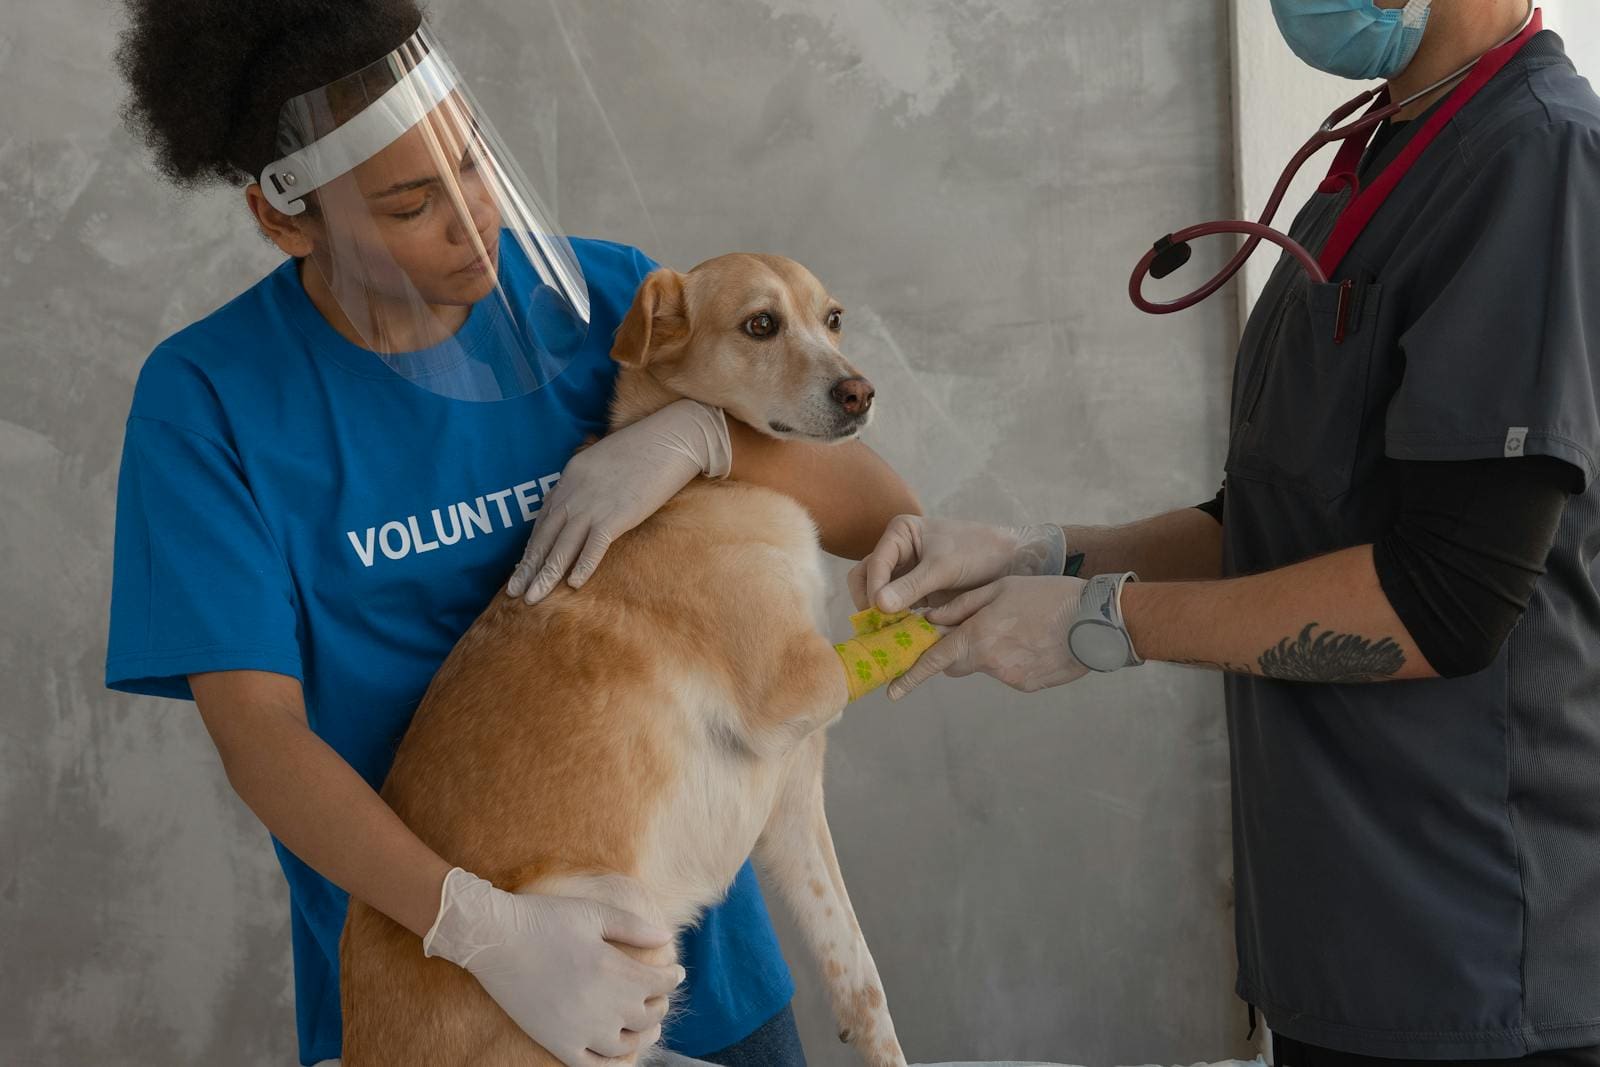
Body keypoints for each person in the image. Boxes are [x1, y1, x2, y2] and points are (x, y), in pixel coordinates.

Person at [105, 3, 917, 1065]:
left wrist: (695, 439)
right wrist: (481, 930)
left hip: (700, 975)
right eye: (410, 204)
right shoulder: (212, 399)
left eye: (476, 162)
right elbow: (261, 738)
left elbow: (874, 507)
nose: (472, 219)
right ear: (286, 219)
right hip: (444, 997)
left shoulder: (597, 300)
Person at [854, 2, 1600, 1066]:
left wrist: (1095, 623)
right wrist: (1046, 552)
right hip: (1338, 941)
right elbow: (1273, 517)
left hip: (1474, 955)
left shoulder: (1540, 160)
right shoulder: (1378, 151)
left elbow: (1446, 599)